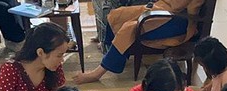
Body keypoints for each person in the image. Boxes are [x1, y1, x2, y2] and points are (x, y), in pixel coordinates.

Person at [74, 0, 205, 84]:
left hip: (177, 19)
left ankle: (98, 73)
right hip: (161, 7)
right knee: (116, 14)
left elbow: (181, 6)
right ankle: (112, 53)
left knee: (129, 29)